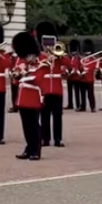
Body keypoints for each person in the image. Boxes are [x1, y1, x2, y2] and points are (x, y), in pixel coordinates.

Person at [12, 31, 46, 160]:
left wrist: (24, 72)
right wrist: (17, 73)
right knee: (26, 125)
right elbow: (15, 79)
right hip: (22, 97)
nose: (25, 58)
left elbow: (38, 79)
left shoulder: (42, 60)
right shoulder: (21, 60)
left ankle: (36, 150)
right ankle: (29, 147)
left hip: (33, 96)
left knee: (33, 125)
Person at [36, 19, 65, 148]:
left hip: (57, 89)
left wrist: (60, 56)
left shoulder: (59, 55)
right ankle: (45, 138)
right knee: (45, 115)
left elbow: (69, 64)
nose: (48, 46)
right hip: (45, 89)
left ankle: (58, 139)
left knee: (58, 115)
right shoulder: (40, 56)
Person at [81, 39, 97, 113]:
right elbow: (80, 66)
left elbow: (93, 67)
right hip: (83, 79)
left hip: (90, 79)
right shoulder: (83, 59)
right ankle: (83, 106)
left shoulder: (93, 59)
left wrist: (86, 70)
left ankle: (92, 107)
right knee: (83, 94)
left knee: (90, 94)